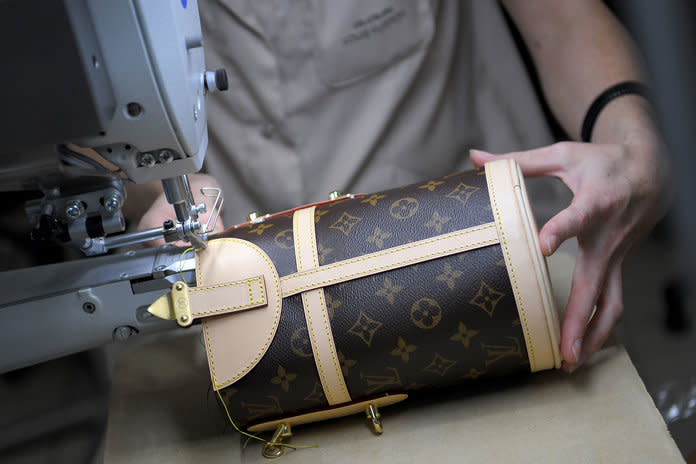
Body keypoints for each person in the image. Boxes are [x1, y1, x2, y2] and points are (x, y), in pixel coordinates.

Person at [133, 0, 670, 373]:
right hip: (249, 314)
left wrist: (632, 140)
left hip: (493, 262)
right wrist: (155, 193)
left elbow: (560, 19)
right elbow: (99, 126)